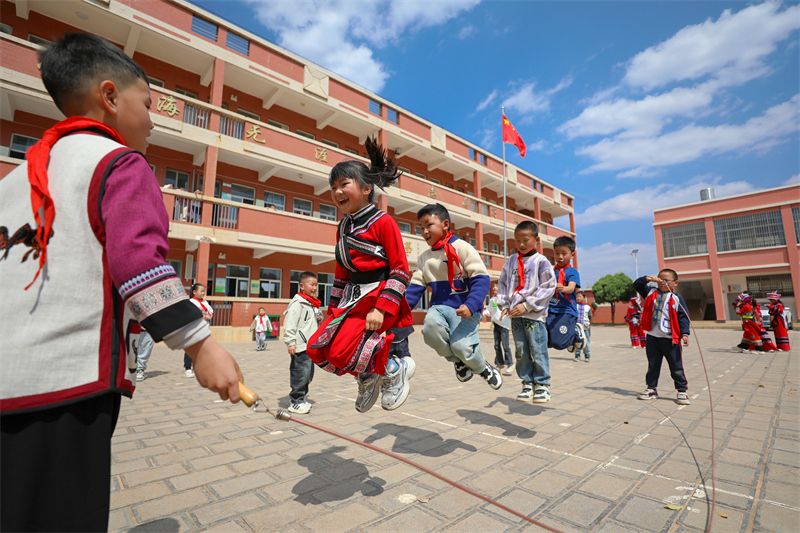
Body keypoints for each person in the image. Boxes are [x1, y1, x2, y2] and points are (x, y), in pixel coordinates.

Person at [0, 33, 242, 533]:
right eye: (148, 104)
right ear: (109, 97)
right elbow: (138, 263)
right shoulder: (120, 164)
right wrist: (199, 346)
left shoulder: (14, 180)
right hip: (66, 386)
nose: (154, 119)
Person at [306, 137, 414, 413]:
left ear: (366, 188)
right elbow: (342, 272)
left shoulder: (383, 221)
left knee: (341, 351)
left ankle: (392, 370)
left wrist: (381, 308)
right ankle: (368, 373)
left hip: (379, 299)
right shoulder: (343, 227)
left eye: (344, 184)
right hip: (351, 302)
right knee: (318, 348)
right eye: (333, 187)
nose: (337, 191)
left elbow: (400, 269)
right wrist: (333, 308)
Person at [406, 203, 503, 390]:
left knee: (462, 347)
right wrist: (398, 311)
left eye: (428, 225)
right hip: (440, 308)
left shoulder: (462, 247)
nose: (424, 231)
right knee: (429, 330)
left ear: (445, 224)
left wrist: (471, 304)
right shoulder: (425, 258)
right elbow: (414, 289)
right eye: (421, 228)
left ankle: (483, 369)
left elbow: (481, 279)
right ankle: (458, 362)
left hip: (465, 309)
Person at [496, 221, 556, 402]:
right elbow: (503, 283)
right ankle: (527, 384)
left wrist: (528, 305)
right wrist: (505, 304)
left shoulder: (541, 261)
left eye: (525, 240)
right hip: (516, 315)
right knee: (521, 351)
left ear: (536, 240)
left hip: (534, 315)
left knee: (537, 349)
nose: (521, 245)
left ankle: (542, 386)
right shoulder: (512, 261)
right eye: (517, 241)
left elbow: (548, 286)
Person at [633, 270, 691, 405]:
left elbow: (683, 317)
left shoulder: (677, 298)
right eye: (660, 279)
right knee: (653, 365)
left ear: (675, 283)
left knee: (676, 366)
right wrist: (648, 279)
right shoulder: (650, 293)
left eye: (667, 280)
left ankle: (682, 390)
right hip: (653, 337)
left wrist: (685, 334)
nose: (663, 282)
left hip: (670, 338)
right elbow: (637, 284)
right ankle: (651, 389)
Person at [283, 272, 322, 414]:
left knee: (308, 374)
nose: (314, 288)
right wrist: (290, 342)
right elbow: (290, 324)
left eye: (316, 285)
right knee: (300, 373)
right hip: (300, 345)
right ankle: (295, 401)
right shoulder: (297, 303)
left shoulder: (311, 303)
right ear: (301, 286)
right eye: (311, 284)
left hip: (310, 345)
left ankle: (301, 398)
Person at [546, 236, 586, 354]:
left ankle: (575, 333)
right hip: (551, 309)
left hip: (566, 310)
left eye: (564, 253)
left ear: (572, 255)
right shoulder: (552, 271)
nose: (560, 257)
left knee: (559, 344)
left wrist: (563, 288)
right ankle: (569, 339)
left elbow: (571, 288)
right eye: (557, 253)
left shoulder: (572, 272)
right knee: (547, 341)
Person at [483, 284, 513, 375]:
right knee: (496, 345)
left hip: (504, 325)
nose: (495, 288)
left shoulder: (505, 299)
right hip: (496, 324)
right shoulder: (492, 299)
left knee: (505, 345)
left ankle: (510, 363)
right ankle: (499, 364)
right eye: (493, 287)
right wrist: (486, 313)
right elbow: (489, 309)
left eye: (497, 287)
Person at [185, 283, 214, 377]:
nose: (203, 293)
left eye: (204, 291)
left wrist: (208, 315)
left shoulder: (205, 302)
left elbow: (211, 311)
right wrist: (202, 315)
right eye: (201, 291)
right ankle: (188, 368)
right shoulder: (191, 302)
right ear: (194, 292)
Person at [575, 291, 593, 362]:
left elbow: (590, 316)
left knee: (586, 341)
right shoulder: (574, 306)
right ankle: (577, 355)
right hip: (576, 328)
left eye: (580, 297)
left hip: (585, 327)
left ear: (583, 298)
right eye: (577, 297)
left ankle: (587, 355)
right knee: (576, 341)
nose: (578, 298)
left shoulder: (588, 307)